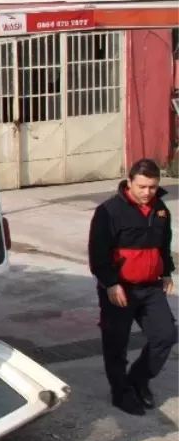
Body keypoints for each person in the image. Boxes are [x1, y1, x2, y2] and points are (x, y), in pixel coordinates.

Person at [88, 158, 179, 416]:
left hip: (151, 287)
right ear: (129, 183)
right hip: (120, 289)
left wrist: (166, 272)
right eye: (142, 187)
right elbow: (97, 253)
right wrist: (110, 283)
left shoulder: (160, 209)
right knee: (117, 343)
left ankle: (138, 380)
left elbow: (163, 243)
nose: (147, 192)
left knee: (166, 335)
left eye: (152, 186)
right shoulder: (109, 211)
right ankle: (121, 393)